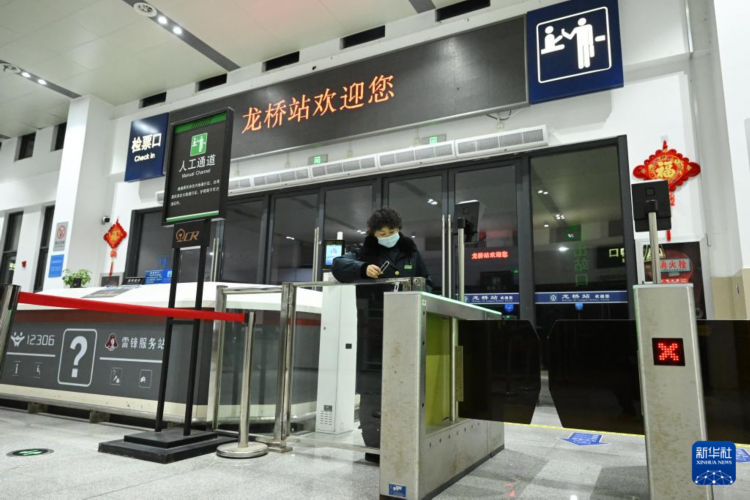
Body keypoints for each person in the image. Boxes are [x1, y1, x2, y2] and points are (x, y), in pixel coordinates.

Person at [332, 207, 432, 464]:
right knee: (373, 386)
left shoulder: (410, 252)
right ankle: (375, 446)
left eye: (391, 231)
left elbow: (427, 282)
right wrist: (363, 268)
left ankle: (404, 441)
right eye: (382, 233)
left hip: (407, 326)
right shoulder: (364, 251)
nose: (387, 236)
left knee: (406, 383)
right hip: (373, 329)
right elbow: (338, 265)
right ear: (373, 233)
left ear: (399, 229)